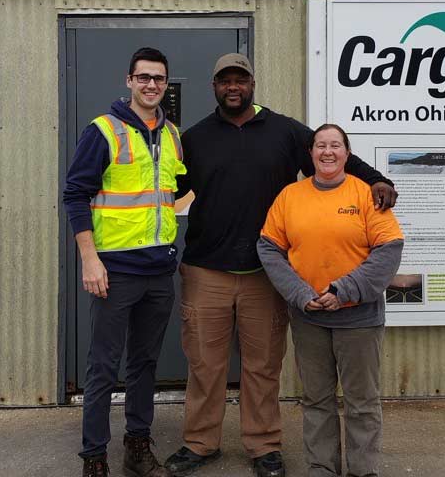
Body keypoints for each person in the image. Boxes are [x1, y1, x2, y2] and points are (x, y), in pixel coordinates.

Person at [164, 55, 397, 477]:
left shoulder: (285, 131)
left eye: (241, 79)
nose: (233, 87)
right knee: (204, 364)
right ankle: (200, 443)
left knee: (263, 366)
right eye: (224, 81)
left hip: (265, 275)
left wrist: (380, 179)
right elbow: (167, 189)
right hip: (205, 270)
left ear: (253, 83)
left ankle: (263, 445)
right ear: (214, 86)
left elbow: (336, 157)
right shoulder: (194, 138)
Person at [63, 47, 185, 477]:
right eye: (144, 77)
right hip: (115, 271)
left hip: (159, 272)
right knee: (102, 368)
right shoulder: (103, 131)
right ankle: (94, 458)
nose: (152, 85)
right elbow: (75, 195)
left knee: (144, 364)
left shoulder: (172, 135)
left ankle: (137, 447)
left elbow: (176, 191)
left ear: (166, 85)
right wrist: (89, 260)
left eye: (159, 79)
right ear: (129, 81)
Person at [257, 123, 404, 477]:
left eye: (335, 145)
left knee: (362, 403)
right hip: (309, 318)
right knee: (317, 400)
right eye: (320, 145)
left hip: (359, 320)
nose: (327, 152)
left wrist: (344, 291)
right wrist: (301, 294)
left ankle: (362, 469)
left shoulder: (367, 195)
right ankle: (321, 467)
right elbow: (269, 248)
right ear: (310, 154)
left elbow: (389, 250)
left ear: (347, 153)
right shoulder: (290, 196)